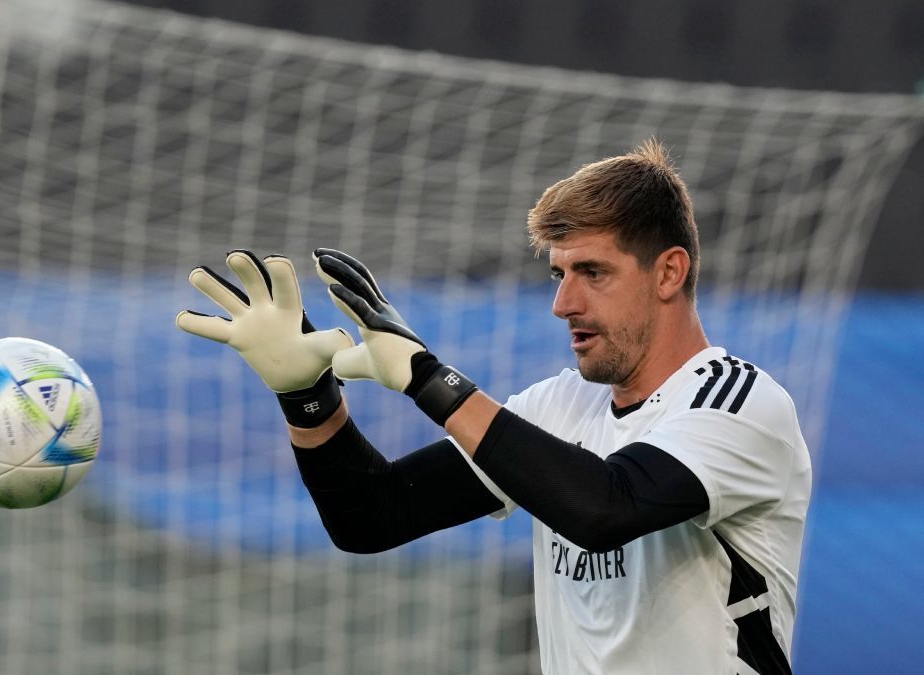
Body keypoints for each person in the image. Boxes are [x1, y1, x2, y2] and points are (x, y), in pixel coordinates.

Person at [176, 139, 811, 674]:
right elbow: (376, 516)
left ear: (669, 273)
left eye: (593, 272)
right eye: (558, 275)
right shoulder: (559, 405)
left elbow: (604, 508)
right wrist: (307, 397)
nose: (564, 303)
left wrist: (428, 378)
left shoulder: (739, 404)